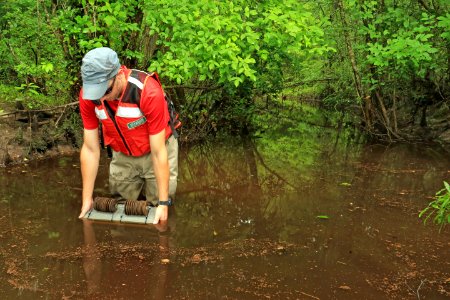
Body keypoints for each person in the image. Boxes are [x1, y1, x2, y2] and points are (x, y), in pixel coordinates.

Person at [78, 47, 179, 224]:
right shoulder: (89, 96)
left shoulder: (148, 91)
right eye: (96, 92)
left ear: (118, 74)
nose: (100, 99)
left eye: (105, 91)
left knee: (159, 210)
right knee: (120, 207)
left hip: (155, 148)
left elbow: (158, 151)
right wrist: (87, 199)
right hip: (122, 152)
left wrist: (163, 204)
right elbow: (90, 149)